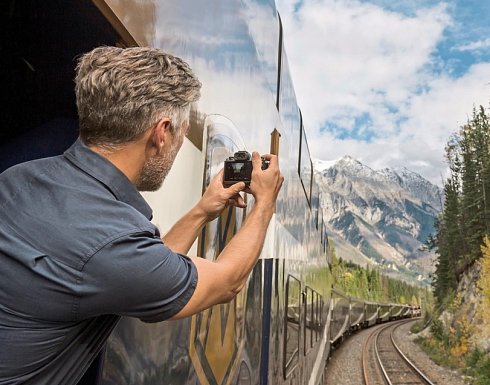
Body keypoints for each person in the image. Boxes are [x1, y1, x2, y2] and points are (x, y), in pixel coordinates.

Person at [0, 46, 284, 385]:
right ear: (161, 134)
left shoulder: (18, 177)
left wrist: (202, 211)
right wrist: (265, 201)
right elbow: (226, 282)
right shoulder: (111, 242)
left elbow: (145, 264)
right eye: (180, 132)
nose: (179, 143)